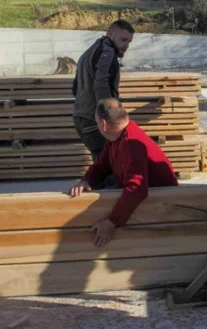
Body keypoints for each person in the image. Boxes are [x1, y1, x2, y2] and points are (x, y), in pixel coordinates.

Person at [68, 98, 179, 247]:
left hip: (164, 203)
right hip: (142, 190)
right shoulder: (115, 135)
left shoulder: (131, 144)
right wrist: (86, 180)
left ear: (103, 124)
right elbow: (102, 164)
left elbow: (136, 189)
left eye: (96, 122)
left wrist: (111, 222)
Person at [72, 20, 135, 162]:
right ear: (111, 34)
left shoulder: (89, 52)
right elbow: (101, 83)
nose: (126, 45)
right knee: (110, 167)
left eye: (129, 42)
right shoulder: (107, 52)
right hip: (96, 121)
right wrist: (109, 116)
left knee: (102, 165)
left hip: (81, 117)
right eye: (123, 39)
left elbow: (75, 87)